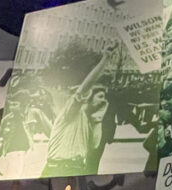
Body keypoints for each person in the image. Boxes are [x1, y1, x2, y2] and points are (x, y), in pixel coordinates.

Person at [40, 44, 119, 177]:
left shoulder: (87, 120)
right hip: (58, 168)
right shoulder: (71, 112)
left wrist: (98, 120)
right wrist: (105, 59)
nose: (104, 101)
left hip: (76, 168)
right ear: (88, 98)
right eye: (100, 96)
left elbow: (94, 145)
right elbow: (85, 86)